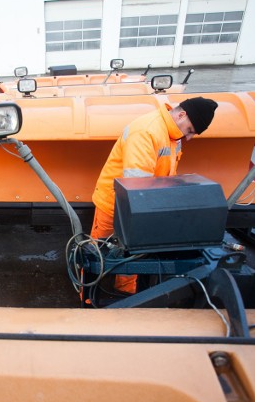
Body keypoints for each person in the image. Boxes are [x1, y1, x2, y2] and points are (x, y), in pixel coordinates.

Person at [91, 96, 218, 294]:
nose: (190, 137)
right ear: (181, 115)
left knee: (132, 252)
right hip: (115, 204)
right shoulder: (146, 131)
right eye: (190, 130)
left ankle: (125, 294)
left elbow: (164, 174)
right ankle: (89, 296)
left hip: (141, 204)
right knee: (97, 254)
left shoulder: (173, 135)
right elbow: (136, 184)